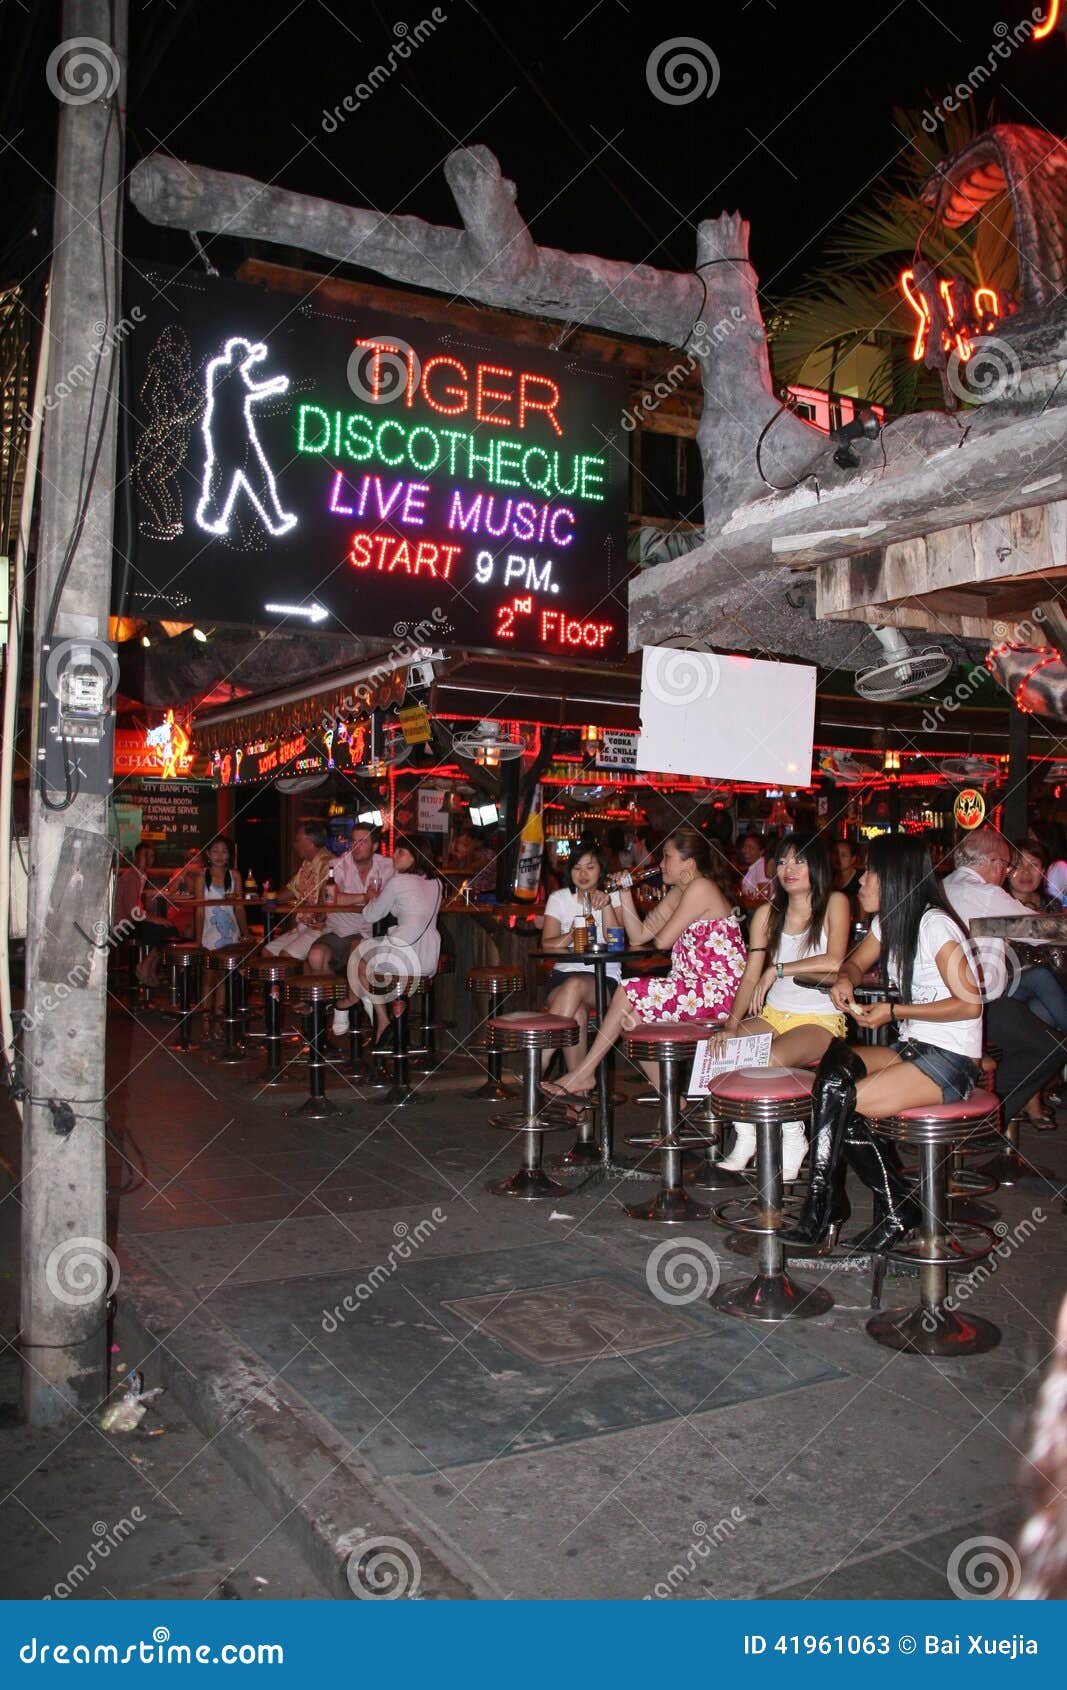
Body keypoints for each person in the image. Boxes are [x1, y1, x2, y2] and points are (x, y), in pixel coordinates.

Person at [780, 835, 983, 1252]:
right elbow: (854, 961)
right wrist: (843, 979)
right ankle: (832, 1204)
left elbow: (969, 1004)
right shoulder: (890, 921)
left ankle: (871, 1208)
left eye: (869, 872)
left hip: (950, 1060)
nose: (861, 881)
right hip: (913, 1049)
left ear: (892, 878)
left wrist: (895, 1012)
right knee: (833, 1070)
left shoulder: (934, 925)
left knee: (843, 1102)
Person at [541, 826, 746, 1101]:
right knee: (630, 1020)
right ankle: (674, 1101)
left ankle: (584, 1073)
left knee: (628, 990)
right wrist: (626, 892)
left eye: (667, 856)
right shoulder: (680, 892)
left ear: (688, 863)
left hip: (717, 993)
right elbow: (639, 936)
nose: (660, 864)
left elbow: (661, 942)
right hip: (692, 990)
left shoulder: (701, 888)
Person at [712, 835, 851, 1180]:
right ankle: (747, 1136)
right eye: (783, 862)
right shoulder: (766, 914)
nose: (789, 870)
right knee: (723, 1050)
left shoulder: (834, 902)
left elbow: (835, 961)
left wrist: (779, 969)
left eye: (799, 861)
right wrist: (731, 1023)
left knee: (770, 1058)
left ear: (816, 865)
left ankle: (793, 1137)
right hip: (774, 1015)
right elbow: (749, 977)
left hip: (820, 1019)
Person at [942, 827, 1067, 1131]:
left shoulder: (943, 885)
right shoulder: (985, 893)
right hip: (978, 1005)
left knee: (1037, 1017)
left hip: (949, 1002)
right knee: (1052, 1049)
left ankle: (984, 1117)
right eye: (1007, 865)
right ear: (995, 862)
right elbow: (1044, 933)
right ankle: (983, 1122)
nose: (1007, 873)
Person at [336, 835, 442, 1043]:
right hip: (428, 958)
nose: (394, 856)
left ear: (416, 857)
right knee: (363, 956)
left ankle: (374, 1013)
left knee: (356, 949)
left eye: (401, 852)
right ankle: (365, 1001)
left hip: (403, 957)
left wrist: (371, 899)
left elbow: (370, 915)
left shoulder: (398, 881)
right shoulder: (437, 883)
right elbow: (412, 909)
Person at [540, 845, 625, 1076]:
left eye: (590, 867)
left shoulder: (613, 895)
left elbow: (616, 942)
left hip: (604, 978)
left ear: (601, 870)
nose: (583, 873)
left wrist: (606, 905)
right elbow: (547, 943)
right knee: (576, 1012)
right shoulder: (559, 898)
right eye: (577, 867)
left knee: (575, 985)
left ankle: (542, 1059)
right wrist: (573, 931)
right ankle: (578, 1099)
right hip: (561, 976)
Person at [306, 824, 394, 984]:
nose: (356, 847)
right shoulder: (338, 864)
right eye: (354, 841)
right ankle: (333, 998)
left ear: (374, 846)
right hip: (341, 931)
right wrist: (363, 897)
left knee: (363, 963)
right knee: (316, 956)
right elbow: (329, 898)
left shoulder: (387, 866)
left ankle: (345, 1000)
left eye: (362, 842)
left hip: (371, 933)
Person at [195, 836, 248, 1036]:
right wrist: (198, 941)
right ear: (208, 854)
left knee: (224, 979)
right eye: (215, 851)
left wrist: (246, 935)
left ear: (229, 855)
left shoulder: (235, 876)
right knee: (208, 979)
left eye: (224, 851)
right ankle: (207, 1025)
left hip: (231, 936)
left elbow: (240, 908)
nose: (219, 855)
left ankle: (219, 1025)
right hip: (209, 937)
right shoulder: (202, 878)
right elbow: (199, 912)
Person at [262, 823, 333, 960]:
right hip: (304, 926)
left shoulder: (329, 863)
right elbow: (292, 889)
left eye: (297, 840)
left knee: (285, 956)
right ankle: (279, 982)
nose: (294, 845)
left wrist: (315, 910)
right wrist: (271, 898)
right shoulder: (307, 863)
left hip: (321, 928)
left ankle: (290, 982)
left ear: (310, 843)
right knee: (267, 952)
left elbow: (325, 899)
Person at [113, 841, 177, 987]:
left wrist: (154, 918)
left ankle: (148, 968)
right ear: (136, 856)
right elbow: (132, 911)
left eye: (152, 856)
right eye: (145, 855)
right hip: (122, 924)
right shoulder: (132, 876)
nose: (149, 859)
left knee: (167, 929)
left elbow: (136, 907)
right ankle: (146, 967)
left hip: (129, 922)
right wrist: (156, 919)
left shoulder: (140, 875)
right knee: (168, 930)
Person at [739, 833, 769, 902]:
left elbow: (765, 896)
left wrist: (749, 900)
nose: (746, 850)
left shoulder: (761, 866)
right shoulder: (755, 865)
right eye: (745, 846)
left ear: (761, 852)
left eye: (751, 848)